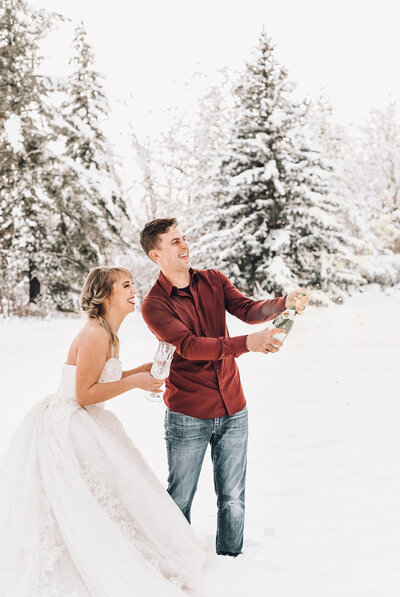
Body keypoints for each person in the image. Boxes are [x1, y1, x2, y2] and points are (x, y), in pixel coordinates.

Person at [0, 266, 210, 597]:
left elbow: (99, 376)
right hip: (70, 424)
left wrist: (136, 371)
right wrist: (134, 382)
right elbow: (84, 394)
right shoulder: (97, 333)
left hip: (85, 419)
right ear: (106, 295)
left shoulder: (107, 332)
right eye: (125, 285)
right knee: (86, 499)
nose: (133, 290)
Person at [140, 218, 310, 557]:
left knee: (233, 497)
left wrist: (284, 301)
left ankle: (232, 562)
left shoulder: (214, 280)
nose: (184, 245)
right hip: (188, 415)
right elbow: (190, 346)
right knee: (180, 498)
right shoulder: (154, 305)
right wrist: (250, 344)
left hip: (234, 408)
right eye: (174, 242)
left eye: (184, 238)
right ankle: (178, 564)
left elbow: (247, 309)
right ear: (156, 255)